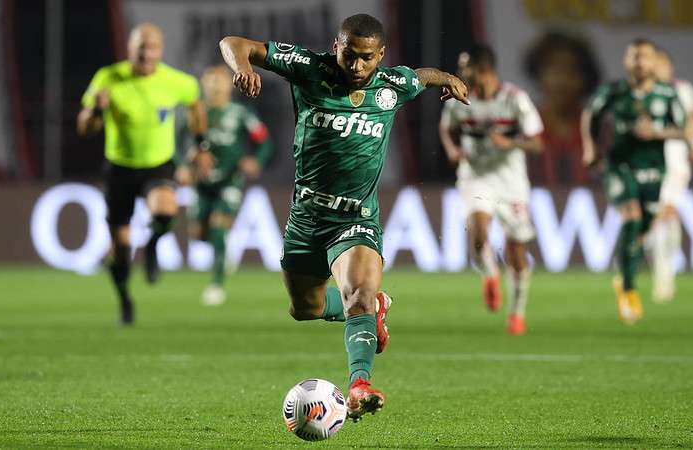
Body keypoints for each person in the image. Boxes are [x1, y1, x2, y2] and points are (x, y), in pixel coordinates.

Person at [219, 13, 469, 421]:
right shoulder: (308, 68)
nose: (356, 67)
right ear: (336, 46)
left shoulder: (391, 86)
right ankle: (376, 308)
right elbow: (233, 42)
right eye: (349, 55)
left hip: (356, 218)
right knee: (305, 308)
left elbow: (421, 76)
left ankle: (359, 384)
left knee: (358, 296)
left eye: (367, 59)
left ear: (380, 56)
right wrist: (243, 66)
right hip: (306, 217)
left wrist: (448, 79)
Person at [77, 23, 206, 325]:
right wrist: (96, 110)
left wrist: (201, 146)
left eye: (152, 48)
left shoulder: (179, 82)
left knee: (165, 210)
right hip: (119, 168)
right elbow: (84, 128)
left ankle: (151, 245)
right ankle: (124, 297)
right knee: (121, 250)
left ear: (160, 50)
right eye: (140, 48)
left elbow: (196, 109)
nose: (146, 54)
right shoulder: (108, 78)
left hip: (157, 164)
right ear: (130, 48)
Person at [439, 44, 543, 335]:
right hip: (475, 176)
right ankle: (490, 275)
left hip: (511, 183)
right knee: (478, 234)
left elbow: (537, 142)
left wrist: (512, 143)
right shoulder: (460, 97)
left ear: (483, 69)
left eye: (465, 67)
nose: (460, 73)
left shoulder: (515, 99)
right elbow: (446, 128)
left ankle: (517, 312)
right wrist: (452, 149)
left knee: (516, 251)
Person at [581, 38, 685, 325]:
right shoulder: (614, 91)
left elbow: (683, 130)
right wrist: (590, 148)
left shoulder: (667, 93)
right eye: (634, 57)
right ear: (627, 62)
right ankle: (628, 288)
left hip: (654, 169)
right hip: (619, 165)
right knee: (632, 216)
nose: (640, 62)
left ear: (654, 62)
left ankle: (623, 275)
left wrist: (657, 133)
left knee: (643, 230)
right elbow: (590, 114)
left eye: (645, 57)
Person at [175, 66, 273, 306]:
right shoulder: (197, 113)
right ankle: (221, 252)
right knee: (198, 234)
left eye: (219, 83)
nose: (215, 88)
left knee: (219, 228)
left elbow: (264, 141)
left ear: (229, 86)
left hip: (230, 180)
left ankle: (217, 284)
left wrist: (256, 160)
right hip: (202, 183)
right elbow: (176, 141)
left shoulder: (240, 113)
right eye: (211, 83)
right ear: (203, 86)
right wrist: (182, 165)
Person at [649, 48, 693, 302]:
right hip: (650, 161)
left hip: (676, 158)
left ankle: (665, 273)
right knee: (655, 216)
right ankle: (660, 268)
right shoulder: (644, 92)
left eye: (663, 63)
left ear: (670, 66)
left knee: (668, 211)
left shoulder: (683, 88)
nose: (660, 68)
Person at [523, 30, 601, 186]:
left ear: (585, 79)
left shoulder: (600, 131)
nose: (562, 80)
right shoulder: (523, 129)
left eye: (572, 70)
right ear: (538, 74)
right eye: (554, 69)